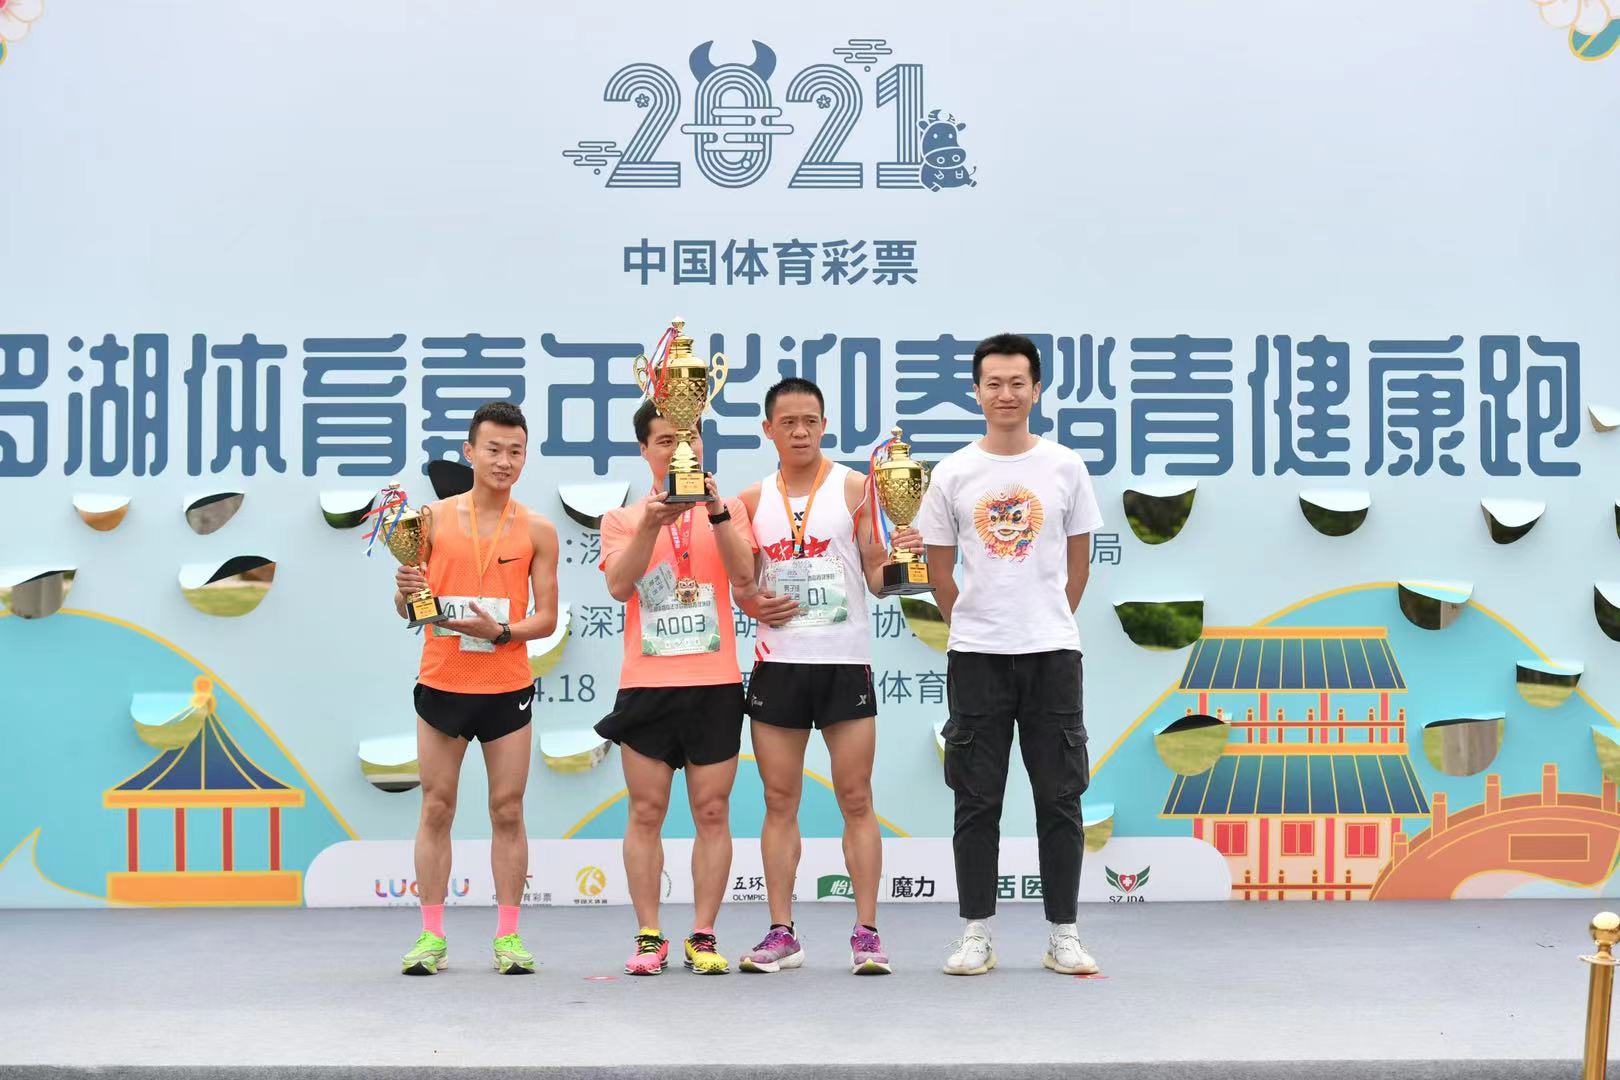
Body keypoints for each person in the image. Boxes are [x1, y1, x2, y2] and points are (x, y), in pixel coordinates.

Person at [915, 333, 1104, 977]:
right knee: (976, 799)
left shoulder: (1065, 467)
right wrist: (976, 624)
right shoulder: (952, 473)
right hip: (977, 657)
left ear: (1036, 389)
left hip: (1053, 655)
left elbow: (1078, 566)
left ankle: (1063, 933)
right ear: (976, 392)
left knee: (1060, 797)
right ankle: (976, 932)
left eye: (1017, 382)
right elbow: (940, 571)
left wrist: (1043, 621)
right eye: (993, 383)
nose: (1005, 394)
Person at [732, 377, 922, 976]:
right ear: (768, 429)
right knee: (778, 799)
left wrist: (905, 558)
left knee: (856, 797)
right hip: (779, 666)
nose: (800, 432)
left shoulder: (856, 488)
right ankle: (781, 932)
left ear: (823, 425)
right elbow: (742, 584)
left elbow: (876, 578)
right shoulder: (749, 500)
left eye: (810, 421)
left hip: (843, 663)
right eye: (788, 422)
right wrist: (752, 603)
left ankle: (867, 933)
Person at [392, 400, 560, 976]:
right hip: (443, 680)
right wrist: (404, 589)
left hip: (506, 685)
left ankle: (508, 938)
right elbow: (407, 608)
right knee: (437, 806)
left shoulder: (538, 528)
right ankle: (431, 937)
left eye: (515, 451)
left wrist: (503, 632)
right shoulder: (429, 521)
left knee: (507, 810)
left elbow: (547, 617)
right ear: (470, 452)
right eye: (493, 449)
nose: (504, 461)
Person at [595, 399, 757, 975]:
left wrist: (716, 512)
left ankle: (704, 935)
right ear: (644, 449)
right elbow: (620, 586)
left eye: (689, 438)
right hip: (647, 684)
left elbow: (745, 577)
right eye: (665, 440)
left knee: (712, 811)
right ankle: (648, 935)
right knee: (646, 811)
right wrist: (651, 523)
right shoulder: (621, 518)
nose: (679, 450)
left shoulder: (731, 508)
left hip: (713, 683)